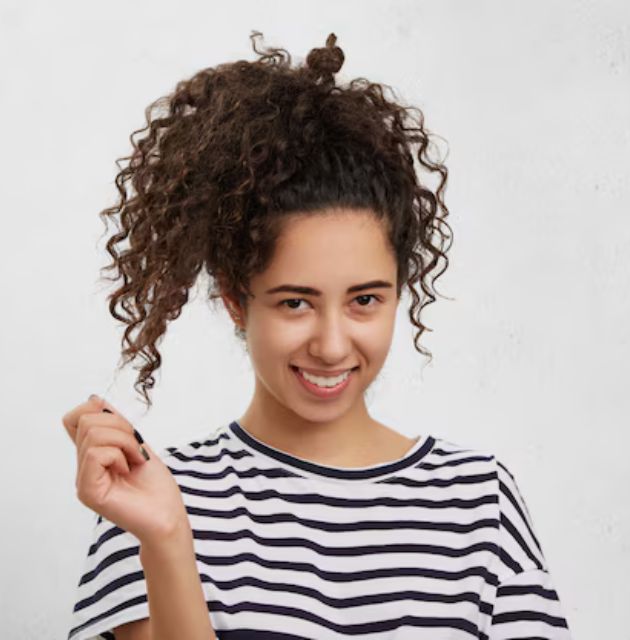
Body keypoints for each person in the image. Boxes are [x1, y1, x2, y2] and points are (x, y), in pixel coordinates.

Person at [62, 31, 572, 639]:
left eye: (364, 300)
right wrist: (169, 539)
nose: (332, 345)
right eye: (296, 302)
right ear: (233, 298)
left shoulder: (478, 504)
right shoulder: (151, 504)